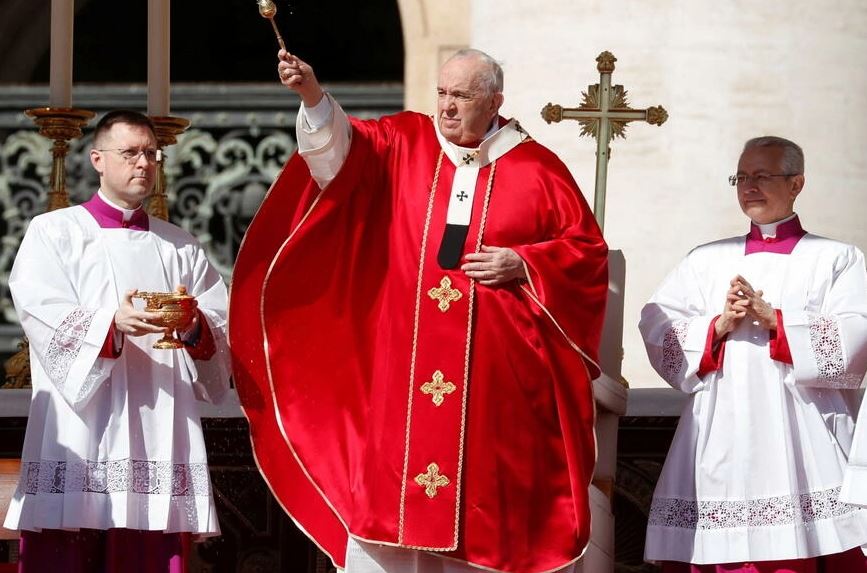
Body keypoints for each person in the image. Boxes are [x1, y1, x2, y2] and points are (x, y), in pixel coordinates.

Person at [229, 49, 609, 572]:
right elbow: (339, 154)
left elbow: (585, 254)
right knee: (391, 508)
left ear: (496, 101)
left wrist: (525, 261)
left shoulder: (538, 169)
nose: (447, 108)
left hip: (494, 390)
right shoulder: (405, 142)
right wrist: (313, 97)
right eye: (442, 94)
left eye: (462, 96)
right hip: (404, 374)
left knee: (485, 524)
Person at [3, 110, 231, 572]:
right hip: (78, 429)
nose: (143, 163)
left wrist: (192, 327)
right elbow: (39, 311)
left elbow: (220, 324)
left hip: (157, 426)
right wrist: (111, 324)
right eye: (130, 153)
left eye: (151, 153)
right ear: (97, 159)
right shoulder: (55, 233)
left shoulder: (181, 247)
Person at [639, 136, 867, 572]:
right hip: (720, 430)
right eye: (742, 177)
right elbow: (656, 322)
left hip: (801, 431)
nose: (749, 186)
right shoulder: (704, 260)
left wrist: (777, 321)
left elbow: (856, 338)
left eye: (762, 176)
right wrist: (718, 326)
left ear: (797, 183)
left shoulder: (836, 257)